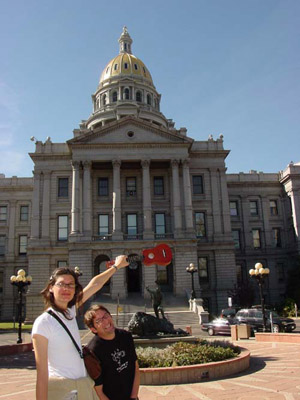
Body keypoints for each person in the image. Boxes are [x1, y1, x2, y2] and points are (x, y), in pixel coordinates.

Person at [31, 255, 129, 400]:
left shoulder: (69, 311)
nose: (67, 288)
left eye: (71, 285)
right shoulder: (43, 323)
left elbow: (95, 285)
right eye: (61, 284)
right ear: (51, 288)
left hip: (83, 386)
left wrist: (116, 267)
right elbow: (42, 374)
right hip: (63, 390)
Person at [84, 304, 140, 400]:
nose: (105, 321)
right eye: (99, 321)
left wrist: (134, 397)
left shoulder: (125, 336)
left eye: (106, 316)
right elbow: (98, 391)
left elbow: (135, 367)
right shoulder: (92, 351)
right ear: (93, 329)